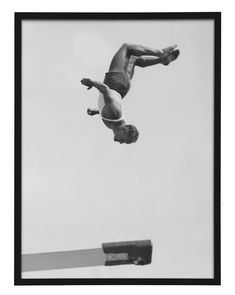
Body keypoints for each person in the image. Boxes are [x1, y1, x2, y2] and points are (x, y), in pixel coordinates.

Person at [81, 43, 180, 144]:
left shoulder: (113, 123)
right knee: (127, 49)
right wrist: (92, 82)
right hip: (116, 81)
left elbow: (107, 107)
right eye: (124, 140)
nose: (121, 142)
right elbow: (105, 90)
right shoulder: (114, 113)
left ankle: (162, 60)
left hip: (123, 86)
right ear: (123, 130)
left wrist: (97, 111)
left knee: (133, 60)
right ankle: (160, 53)